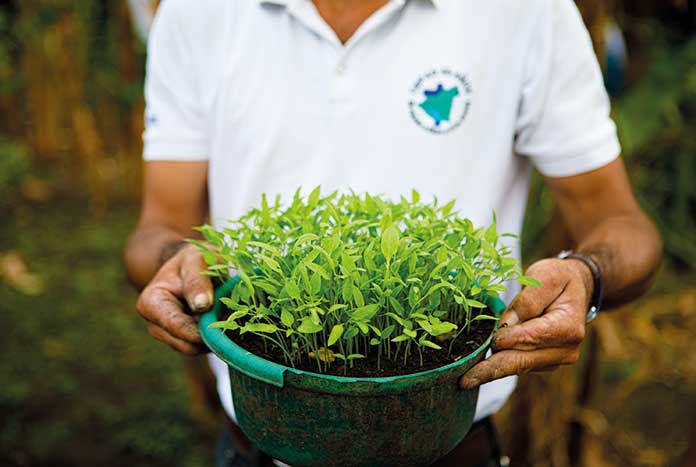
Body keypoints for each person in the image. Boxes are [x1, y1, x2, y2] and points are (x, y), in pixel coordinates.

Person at [124, 1, 663, 465]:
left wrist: (586, 275)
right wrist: (175, 259)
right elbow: (161, 227)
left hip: (451, 440)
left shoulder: (523, 10)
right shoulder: (197, 12)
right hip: (261, 437)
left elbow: (623, 227)